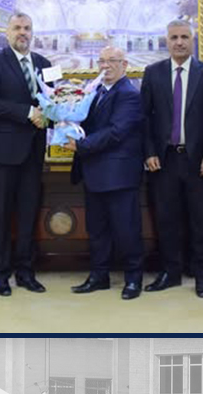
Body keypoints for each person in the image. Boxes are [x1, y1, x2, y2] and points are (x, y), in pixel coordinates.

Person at [140, 19, 203, 298]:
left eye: (184, 37)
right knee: (166, 218)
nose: (179, 42)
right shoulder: (153, 73)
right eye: (174, 37)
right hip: (164, 160)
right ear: (167, 41)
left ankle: (201, 274)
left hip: (199, 160)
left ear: (192, 40)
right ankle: (171, 272)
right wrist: (149, 151)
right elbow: (144, 117)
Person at [0, 12, 51, 296]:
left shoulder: (45, 64)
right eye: (17, 28)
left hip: (33, 153)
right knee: (0, 215)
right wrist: (28, 112)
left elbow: (55, 101)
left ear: (32, 32)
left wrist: (55, 114)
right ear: (8, 33)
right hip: (2, 153)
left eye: (27, 28)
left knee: (28, 214)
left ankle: (25, 272)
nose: (23, 32)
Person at [65, 46, 145, 300]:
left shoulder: (129, 94)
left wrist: (81, 145)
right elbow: (86, 124)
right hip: (94, 173)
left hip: (119, 175)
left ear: (125, 65)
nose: (106, 65)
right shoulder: (96, 91)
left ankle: (133, 279)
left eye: (112, 60)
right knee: (97, 230)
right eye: (101, 61)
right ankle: (99, 276)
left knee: (126, 230)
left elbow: (116, 131)